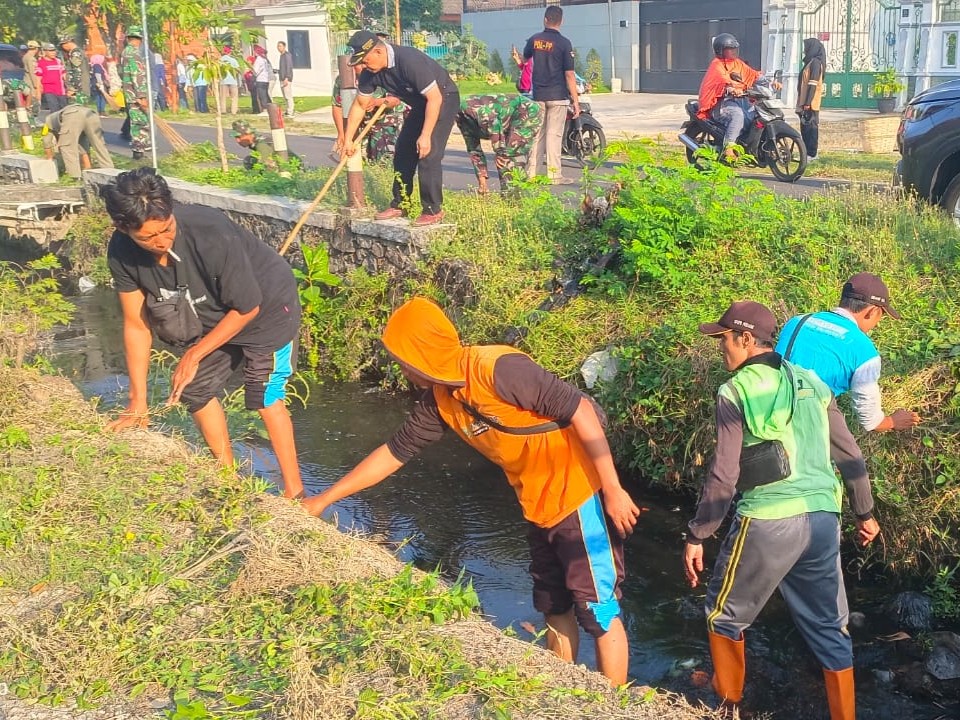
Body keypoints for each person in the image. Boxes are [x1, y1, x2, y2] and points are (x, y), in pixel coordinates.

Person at [303, 296, 640, 685]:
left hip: (581, 495)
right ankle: (561, 690)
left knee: (597, 610)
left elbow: (579, 410)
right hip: (537, 504)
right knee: (553, 604)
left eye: (401, 358)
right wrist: (324, 499)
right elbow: (395, 452)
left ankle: (612, 703)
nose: (400, 368)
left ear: (421, 352)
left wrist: (613, 489)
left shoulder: (497, 369)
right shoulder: (441, 401)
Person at [685, 300, 879, 720]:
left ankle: (727, 703)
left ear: (746, 338)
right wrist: (864, 512)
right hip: (824, 518)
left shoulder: (734, 390)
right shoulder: (812, 383)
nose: (721, 348)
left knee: (724, 614)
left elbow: (723, 473)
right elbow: (849, 453)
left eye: (724, 340)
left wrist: (699, 533)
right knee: (829, 626)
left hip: (770, 518)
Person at [101, 168, 305, 501]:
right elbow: (137, 325)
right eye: (148, 238)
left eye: (166, 230)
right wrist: (137, 401)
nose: (162, 242)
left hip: (266, 308)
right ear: (123, 229)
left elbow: (247, 308)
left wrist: (194, 354)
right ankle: (229, 479)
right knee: (193, 387)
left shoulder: (210, 231)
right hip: (214, 314)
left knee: (264, 395)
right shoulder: (122, 253)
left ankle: (295, 494)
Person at [776, 272, 921, 435]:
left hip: (764, 405)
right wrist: (892, 421)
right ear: (872, 312)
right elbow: (870, 420)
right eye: (880, 317)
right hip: (800, 424)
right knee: (852, 460)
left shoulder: (798, 321)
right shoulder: (865, 351)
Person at [342, 30, 460, 226]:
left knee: (427, 151)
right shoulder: (370, 73)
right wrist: (348, 139)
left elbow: (435, 98)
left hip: (443, 98)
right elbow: (360, 105)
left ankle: (432, 210)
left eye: (365, 60)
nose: (363, 66)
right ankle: (400, 203)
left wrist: (425, 135)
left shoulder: (408, 60)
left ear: (378, 52)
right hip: (420, 105)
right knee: (404, 151)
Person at [697, 33, 776, 163]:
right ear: (721, 51)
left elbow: (754, 75)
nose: (733, 52)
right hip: (719, 103)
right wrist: (731, 88)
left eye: (734, 49)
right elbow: (723, 80)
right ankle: (729, 147)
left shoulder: (737, 63)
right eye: (730, 49)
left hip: (739, 100)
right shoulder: (717, 65)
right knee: (737, 115)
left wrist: (770, 82)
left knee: (754, 114)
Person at [523, 5, 579, 184]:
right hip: (558, 96)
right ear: (561, 21)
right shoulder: (565, 43)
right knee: (554, 135)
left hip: (538, 95)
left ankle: (531, 173)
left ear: (545, 19)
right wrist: (575, 101)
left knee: (538, 134)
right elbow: (569, 74)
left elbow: (525, 60)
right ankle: (554, 175)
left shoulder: (535, 40)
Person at [456, 93, 542, 194]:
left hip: (526, 111)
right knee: (504, 157)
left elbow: (494, 126)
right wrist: (482, 183)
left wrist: (500, 152)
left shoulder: (474, 110)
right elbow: (474, 150)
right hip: (504, 118)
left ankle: (515, 197)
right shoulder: (461, 119)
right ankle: (510, 196)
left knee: (510, 155)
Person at [331, 73, 407, 163]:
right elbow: (337, 105)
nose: (362, 66)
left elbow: (395, 100)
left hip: (385, 123)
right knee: (358, 160)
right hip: (358, 125)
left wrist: (375, 102)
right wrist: (341, 134)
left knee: (386, 161)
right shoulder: (344, 79)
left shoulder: (383, 75)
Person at [42, 104, 114, 178]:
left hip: (72, 115)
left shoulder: (48, 121)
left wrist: (49, 159)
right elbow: (82, 147)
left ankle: (75, 176)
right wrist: (87, 168)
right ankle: (109, 171)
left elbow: (46, 141)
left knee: (67, 147)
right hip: (90, 113)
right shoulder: (57, 119)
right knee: (98, 144)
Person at [120, 26, 150, 158]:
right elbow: (136, 75)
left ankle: (139, 151)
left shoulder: (125, 52)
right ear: (140, 40)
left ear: (127, 38)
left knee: (136, 123)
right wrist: (142, 96)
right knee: (140, 124)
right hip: (136, 96)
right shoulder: (133, 54)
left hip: (129, 94)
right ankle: (138, 154)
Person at [231, 118, 300, 172]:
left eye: (239, 137)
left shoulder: (261, 145)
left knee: (250, 161)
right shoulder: (258, 142)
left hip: (292, 168)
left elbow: (269, 163)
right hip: (291, 165)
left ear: (248, 134)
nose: (238, 140)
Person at [797, 38, 826, 162]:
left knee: (811, 128)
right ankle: (806, 152)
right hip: (804, 101)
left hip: (810, 103)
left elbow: (813, 84)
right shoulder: (809, 62)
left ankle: (812, 153)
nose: (804, 50)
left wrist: (808, 103)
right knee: (805, 128)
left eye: (806, 47)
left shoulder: (815, 63)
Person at [35, 42, 68, 111]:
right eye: (50, 51)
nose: (53, 52)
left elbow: (64, 75)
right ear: (45, 52)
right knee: (54, 108)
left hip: (61, 90)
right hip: (49, 90)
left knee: (64, 109)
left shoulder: (58, 61)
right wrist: (38, 92)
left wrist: (69, 87)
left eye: (54, 50)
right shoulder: (41, 63)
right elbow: (38, 78)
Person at [59, 37, 87, 104]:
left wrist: (73, 86)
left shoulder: (75, 53)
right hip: (81, 82)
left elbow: (76, 69)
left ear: (66, 44)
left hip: (78, 84)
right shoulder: (79, 51)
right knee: (81, 104)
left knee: (78, 105)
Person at [21, 40, 41, 117]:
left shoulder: (25, 56)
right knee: (32, 102)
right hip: (31, 82)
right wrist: (36, 86)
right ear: (36, 49)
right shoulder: (31, 58)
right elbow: (33, 72)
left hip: (26, 80)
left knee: (28, 101)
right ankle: (31, 119)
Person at [252, 45, 272, 115]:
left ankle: (265, 110)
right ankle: (270, 108)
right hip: (266, 80)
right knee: (266, 94)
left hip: (260, 80)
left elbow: (255, 70)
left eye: (254, 51)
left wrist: (251, 71)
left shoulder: (258, 59)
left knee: (262, 95)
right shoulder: (265, 59)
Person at [276, 41, 294, 118]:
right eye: (278, 46)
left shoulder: (287, 55)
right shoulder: (281, 56)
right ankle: (287, 111)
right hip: (282, 77)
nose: (278, 48)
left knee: (288, 95)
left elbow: (289, 67)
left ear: (284, 46)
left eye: (280, 46)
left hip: (286, 78)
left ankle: (291, 111)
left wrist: (287, 77)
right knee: (285, 96)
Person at [219, 46, 239, 115]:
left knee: (223, 97)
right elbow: (237, 69)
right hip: (233, 80)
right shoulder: (233, 60)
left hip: (223, 80)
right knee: (234, 97)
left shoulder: (220, 60)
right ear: (229, 52)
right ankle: (234, 111)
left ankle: (223, 110)